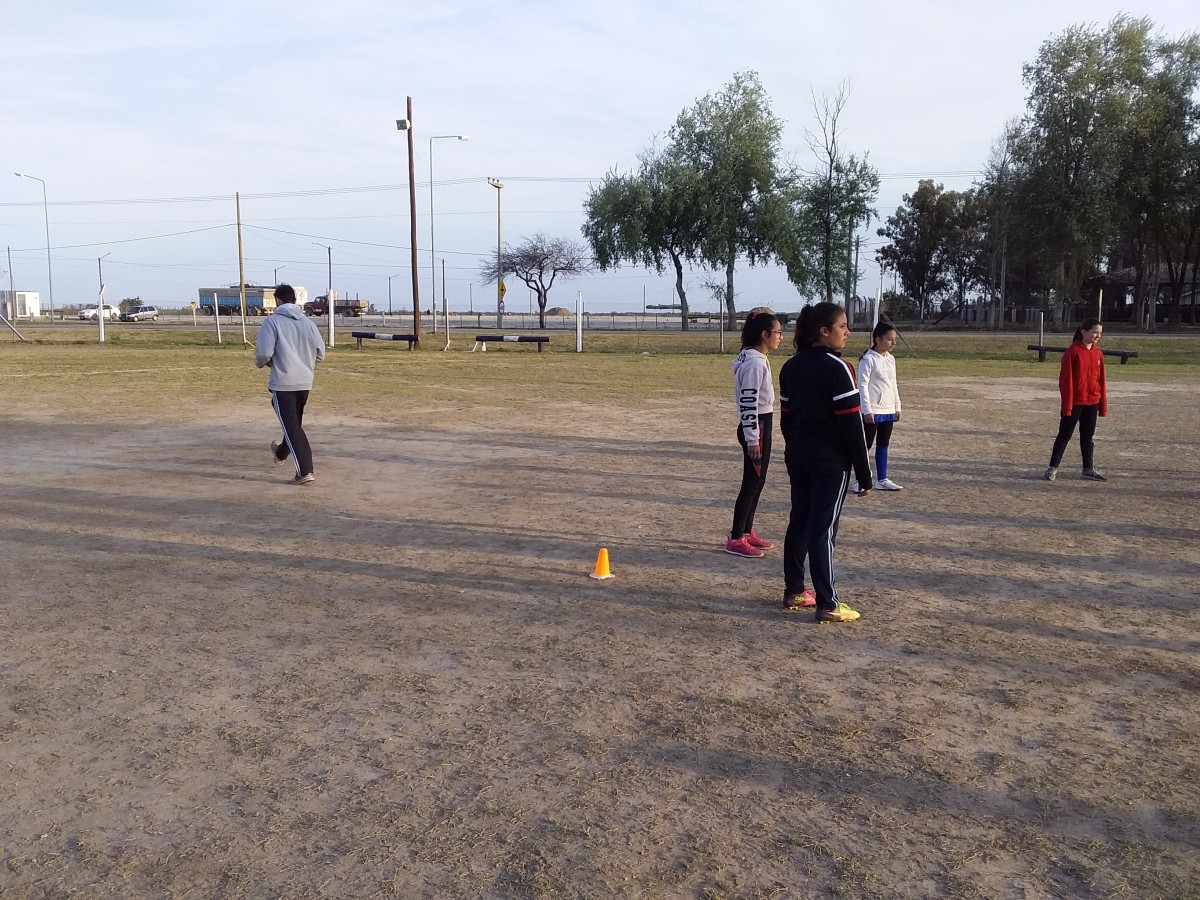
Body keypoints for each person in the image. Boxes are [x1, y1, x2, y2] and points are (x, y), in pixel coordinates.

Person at [778, 302, 873, 623]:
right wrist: (865, 473)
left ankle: (794, 591)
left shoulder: (790, 367)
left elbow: (786, 422)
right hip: (830, 464)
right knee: (823, 529)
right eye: (842, 326)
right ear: (823, 331)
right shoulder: (839, 368)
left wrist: (799, 449)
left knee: (800, 522)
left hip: (799, 457)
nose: (847, 332)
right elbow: (852, 426)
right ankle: (828, 603)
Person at [725, 308, 786, 559]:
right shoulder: (753, 363)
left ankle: (748, 531)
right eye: (778, 333)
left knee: (758, 482)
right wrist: (752, 437)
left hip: (764, 423)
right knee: (751, 483)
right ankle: (736, 537)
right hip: (756, 426)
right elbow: (748, 402)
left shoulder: (757, 358)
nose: (781, 337)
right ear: (764, 334)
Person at [254, 284, 326, 485]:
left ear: (277, 300)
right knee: (293, 424)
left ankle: (305, 471)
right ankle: (281, 452)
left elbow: (264, 353)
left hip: (283, 382)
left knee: (292, 427)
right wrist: (304, 362)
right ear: (295, 300)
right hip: (304, 381)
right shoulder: (309, 323)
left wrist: (264, 363)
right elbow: (320, 354)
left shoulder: (272, 322)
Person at [1043, 318, 1108, 482]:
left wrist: (1102, 405)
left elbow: (1101, 380)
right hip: (1075, 403)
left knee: (1088, 437)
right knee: (1064, 435)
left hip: (1092, 401)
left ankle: (1088, 468)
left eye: (1099, 333)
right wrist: (1067, 406)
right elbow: (1065, 382)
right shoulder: (1072, 352)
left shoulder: (1098, 353)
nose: (1097, 336)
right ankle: (1053, 468)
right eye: (1094, 332)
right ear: (1083, 331)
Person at [856, 321, 904, 491]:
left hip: (888, 408)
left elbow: (893, 384)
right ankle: (860, 480)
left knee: (883, 443)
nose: (893, 343)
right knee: (865, 445)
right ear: (878, 339)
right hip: (873, 410)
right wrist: (867, 409)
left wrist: (897, 406)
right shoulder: (868, 359)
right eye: (890, 339)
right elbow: (862, 386)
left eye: (894, 339)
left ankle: (882, 479)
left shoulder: (890, 359)